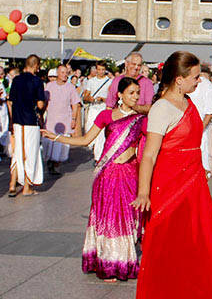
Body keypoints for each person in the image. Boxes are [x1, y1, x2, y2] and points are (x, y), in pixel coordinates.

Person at [131, 51, 212, 299]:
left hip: (192, 186)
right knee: (163, 252)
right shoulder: (162, 108)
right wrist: (144, 192)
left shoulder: (187, 103)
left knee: (192, 252)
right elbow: (149, 154)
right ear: (179, 79)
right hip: (168, 188)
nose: (200, 82)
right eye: (196, 77)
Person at [46, 77, 147, 280]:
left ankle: (123, 261)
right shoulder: (106, 115)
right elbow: (85, 140)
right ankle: (107, 263)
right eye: (131, 93)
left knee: (125, 218)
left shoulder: (142, 119)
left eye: (137, 93)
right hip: (108, 173)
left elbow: (152, 147)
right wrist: (56, 137)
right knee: (109, 218)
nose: (135, 97)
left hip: (129, 173)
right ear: (119, 95)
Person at [9, 55, 48, 196]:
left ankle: (12, 184)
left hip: (17, 120)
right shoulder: (37, 81)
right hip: (30, 120)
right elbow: (40, 103)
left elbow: (11, 101)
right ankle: (27, 186)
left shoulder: (16, 80)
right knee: (30, 153)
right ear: (36, 66)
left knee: (18, 151)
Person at [42, 65, 81, 176]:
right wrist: (40, 115)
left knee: (61, 143)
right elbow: (44, 102)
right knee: (49, 142)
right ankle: (50, 161)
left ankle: (56, 165)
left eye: (66, 72)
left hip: (64, 119)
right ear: (57, 73)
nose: (64, 75)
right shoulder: (49, 86)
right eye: (62, 72)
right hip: (51, 119)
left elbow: (75, 104)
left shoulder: (70, 87)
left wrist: (74, 119)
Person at [190, 64, 212, 177]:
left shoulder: (205, 84)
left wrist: (198, 131)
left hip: (201, 131)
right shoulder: (180, 82)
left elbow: (210, 111)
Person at [81, 61, 113, 155]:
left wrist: (102, 99)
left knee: (101, 133)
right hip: (93, 108)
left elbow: (111, 98)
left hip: (103, 108)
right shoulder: (91, 81)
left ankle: (98, 156)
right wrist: (89, 98)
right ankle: (94, 148)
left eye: (103, 69)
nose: (101, 72)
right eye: (99, 69)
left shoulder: (109, 82)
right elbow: (85, 96)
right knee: (90, 129)